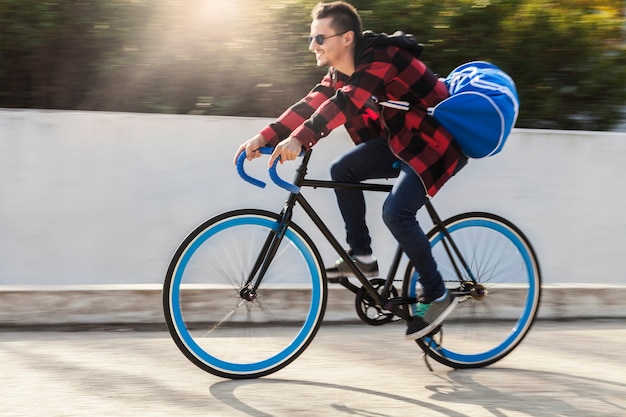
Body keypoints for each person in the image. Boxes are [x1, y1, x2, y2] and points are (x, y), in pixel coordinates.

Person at [233, 1, 467, 340]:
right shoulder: (342, 70)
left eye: (319, 38)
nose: (312, 45)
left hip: (435, 144)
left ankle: (437, 294)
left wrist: (300, 140)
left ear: (346, 38)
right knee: (342, 170)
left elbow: (348, 102)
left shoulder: (381, 57)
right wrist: (265, 136)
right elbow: (313, 103)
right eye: (311, 38)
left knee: (397, 214)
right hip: (400, 140)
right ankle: (362, 257)